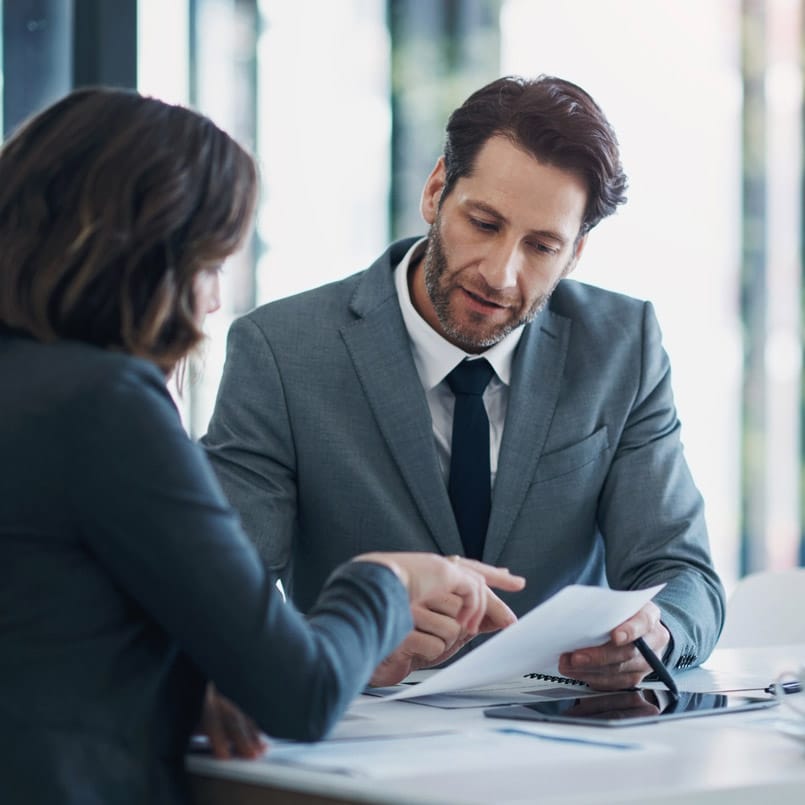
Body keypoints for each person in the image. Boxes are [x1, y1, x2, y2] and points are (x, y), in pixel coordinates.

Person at [0, 87, 525, 805]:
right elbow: (298, 692)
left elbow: (54, 632)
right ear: (145, 252)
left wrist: (198, 675)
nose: (213, 299)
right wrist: (386, 582)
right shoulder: (105, 405)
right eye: (209, 263)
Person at [203, 74, 726, 689]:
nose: (501, 275)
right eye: (483, 223)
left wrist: (656, 634)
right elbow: (222, 599)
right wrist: (350, 644)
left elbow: (683, 572)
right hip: (359, 729)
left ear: (575, 254)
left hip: (557, 738)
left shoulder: (621, 344)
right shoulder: (281, 351)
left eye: (541, 246)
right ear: (435, 192)